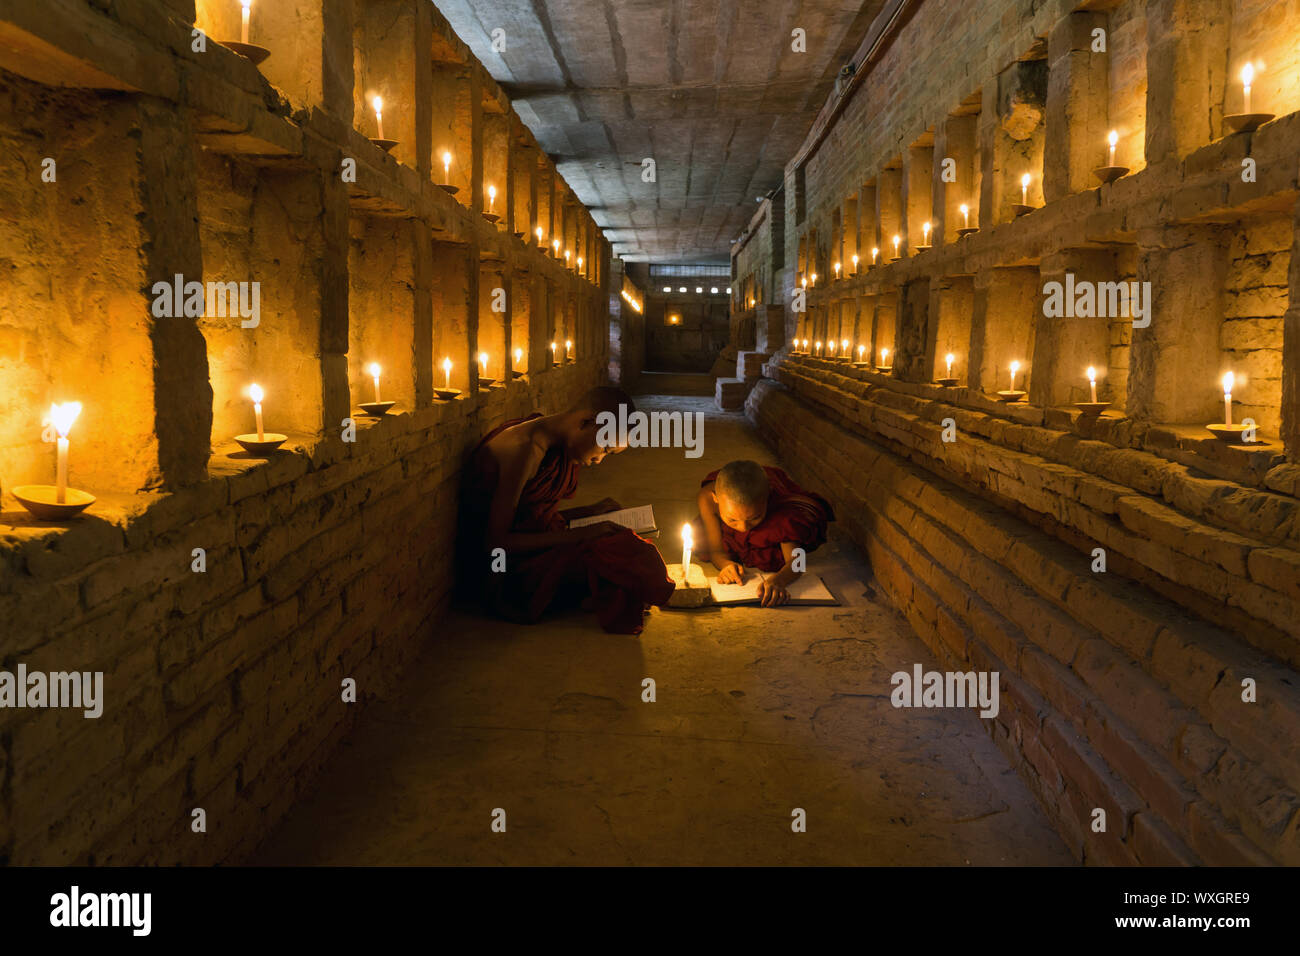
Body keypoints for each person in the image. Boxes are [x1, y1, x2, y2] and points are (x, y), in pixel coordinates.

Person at [461, 386, 674, 634]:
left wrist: (591, 511)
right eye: (605, 449)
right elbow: (495, 542)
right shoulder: (526, 450)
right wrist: (580, 535)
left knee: (621, 544)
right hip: (502, 570)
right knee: (627, 554)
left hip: (530, 547)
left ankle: (589, 590)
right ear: (587, 421)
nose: (599, 460)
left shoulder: (554, 438)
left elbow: (534, 517)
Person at [694, 459, 834, 607]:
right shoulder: (706, 499)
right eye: (732, 520)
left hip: (773, 497)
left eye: (755, 517)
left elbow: (798, 562)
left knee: (774, 550)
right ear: (716, 499)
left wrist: (778, 580)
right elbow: (716, 550)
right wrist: (726, 565)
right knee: (700, 538)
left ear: (768, 497)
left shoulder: (779, 511)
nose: (743, 527)